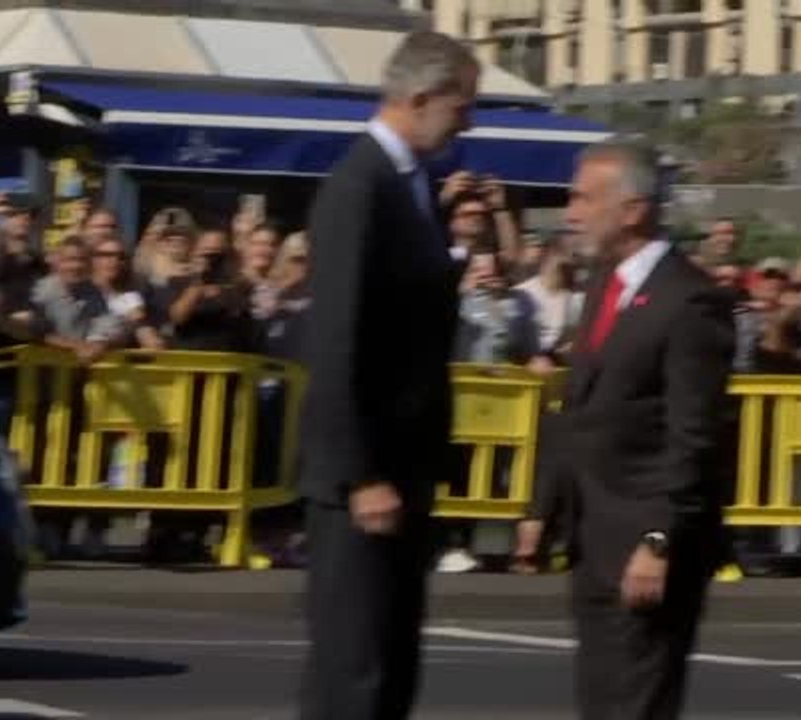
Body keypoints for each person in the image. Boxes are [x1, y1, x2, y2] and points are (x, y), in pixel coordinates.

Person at [518, 141, 734, 720]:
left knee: (637, 703)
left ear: (633, 209)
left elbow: (695, 436)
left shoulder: (691, 300)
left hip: (648, 544)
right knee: (600, 700)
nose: (571, 213)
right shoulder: (603, 286)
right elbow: (579, 405)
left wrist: (660, 540)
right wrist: (542, 508)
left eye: (584, 199)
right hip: (593, 536)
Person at [298, 30, 478, 720]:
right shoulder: (361, 186)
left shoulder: (411, 186)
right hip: (366, 479)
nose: (468, 122)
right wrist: (360, 473)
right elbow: (338, 339)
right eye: (463, 105)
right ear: (423, 96)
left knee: (391, 667)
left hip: (403, 469)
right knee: (356, 672)